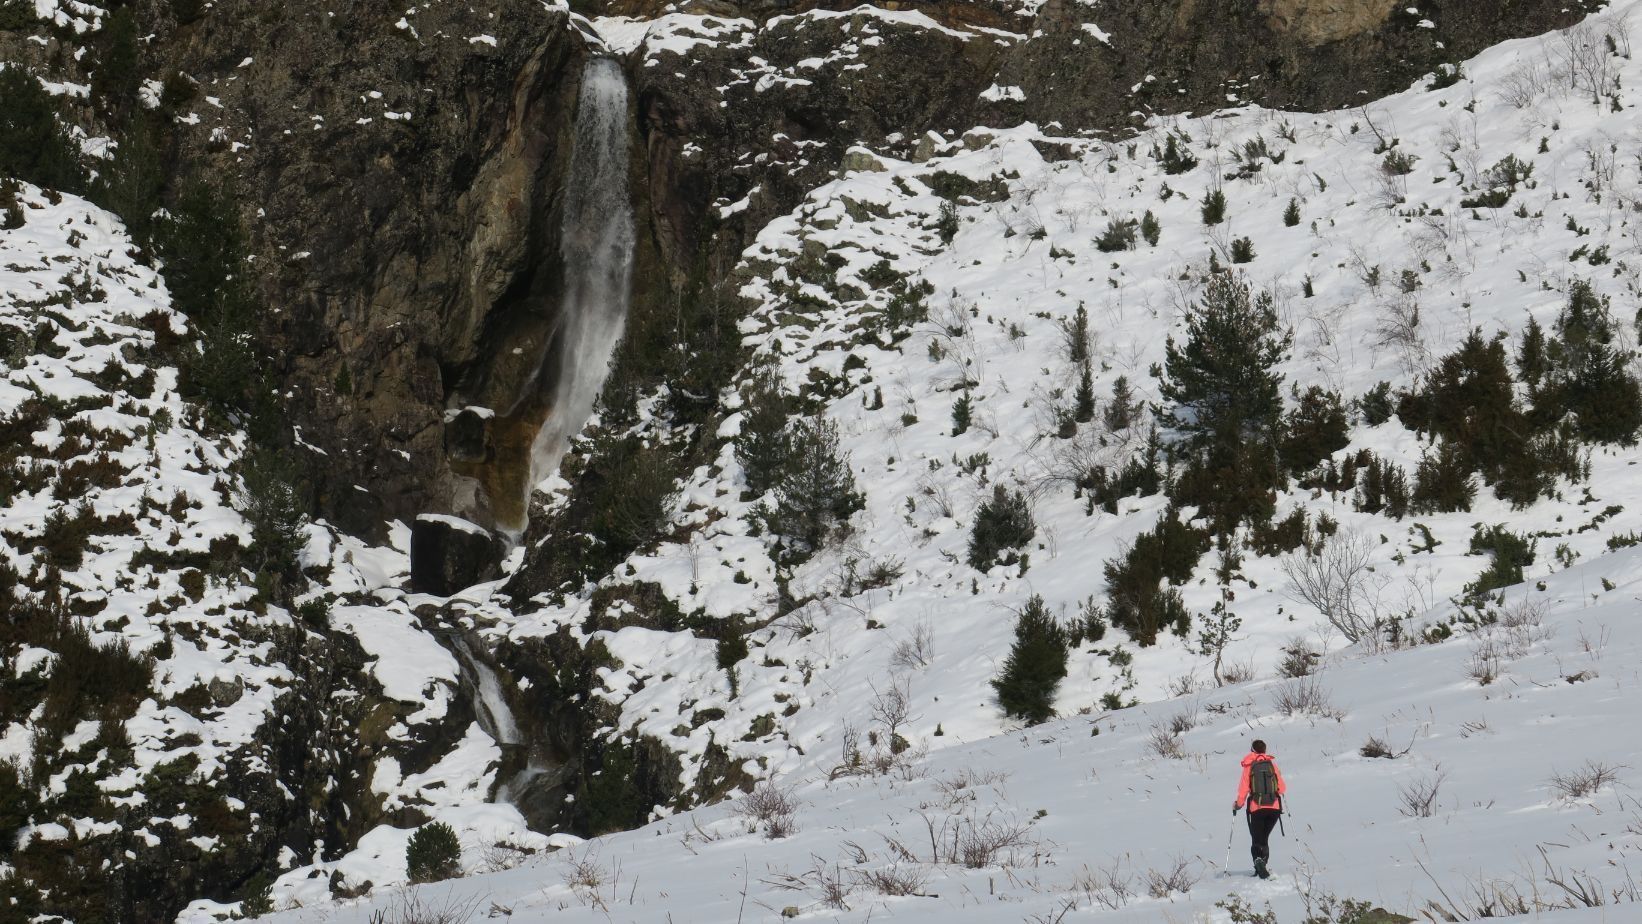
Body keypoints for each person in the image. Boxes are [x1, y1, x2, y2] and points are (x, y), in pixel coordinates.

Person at [1233, 739, 1286, 878]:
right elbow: (1282, 788)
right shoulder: (1271, 764)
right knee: (1264, 838)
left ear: (1252, 750)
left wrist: (1238, 804)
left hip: (1257, 808)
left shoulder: (1249, 766)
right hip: (1274, 808)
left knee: (1257, 839)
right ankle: (1262, 865)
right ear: (1264, 750)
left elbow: (1243, 789)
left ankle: (1259, 863)